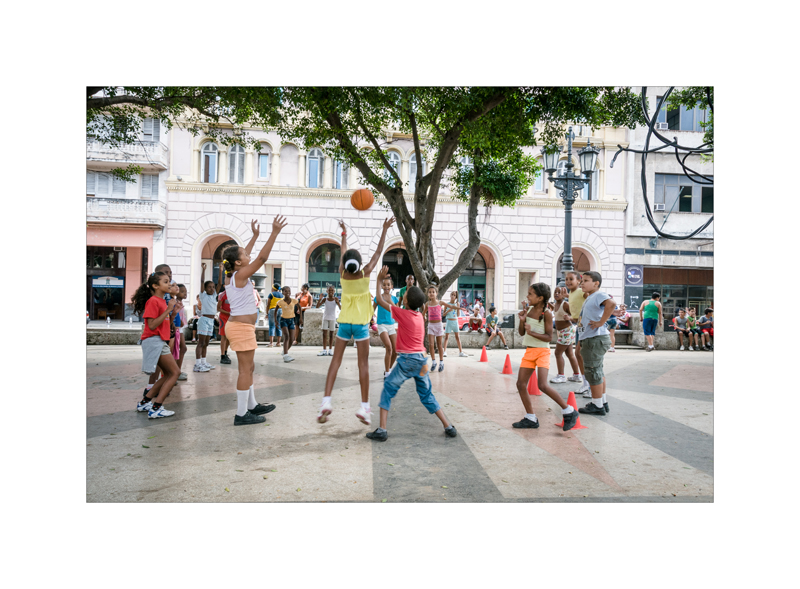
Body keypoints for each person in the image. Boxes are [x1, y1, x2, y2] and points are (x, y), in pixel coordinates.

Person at [366, 266, 458, 442]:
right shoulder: (419, 317)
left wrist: (378, 281)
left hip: (407, 361)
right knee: (427, 395)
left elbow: (379, 299)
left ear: (406, 302)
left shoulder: (402, 314)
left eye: (405, 295)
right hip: (422, 361)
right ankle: (448, 426)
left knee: (387, 390)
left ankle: (382, 430)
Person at [318, 217, 394, 426]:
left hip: (344, 324)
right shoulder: (365, 272)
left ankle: (326, 401)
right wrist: (384, 229)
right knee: (363, 364)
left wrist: (344, 234)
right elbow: (378, 252)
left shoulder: (342, 274)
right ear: (359, 263)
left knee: (335, 361)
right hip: (360, 325)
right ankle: (364, 407)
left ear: (345, 264)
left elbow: (343, 253)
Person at [221, 216, 287, 426]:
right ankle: (241, 414)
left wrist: (254, 236)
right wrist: (274, 232)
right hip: (240, 328)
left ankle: (251, 405)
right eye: (244, 255)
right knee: (244, 370)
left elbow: (245, 256)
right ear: (238, 262)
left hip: (241, 327)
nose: (248, 255)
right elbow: (261, 258)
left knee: (249, 367)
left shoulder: (233, 274)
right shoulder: (240, 275)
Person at [512, 283, 579, 431]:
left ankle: (569, 410)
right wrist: (522, 321)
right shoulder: (529, 310)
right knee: (520, 384)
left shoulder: (547, 313)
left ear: (540, 298)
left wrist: (532, 332)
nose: (527, 296)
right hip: (529, 352)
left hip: (542, 351)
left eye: (530, 294)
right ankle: (531, 418)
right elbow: (522, 333)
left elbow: (549, 337)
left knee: (542, 385)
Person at [132, 271, 179, 419]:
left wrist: (172, 313)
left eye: (169, 281)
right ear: (155, 285)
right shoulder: (153, 301)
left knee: (169, 374)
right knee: (175, 373)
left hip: (159, 340)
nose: (169, 284)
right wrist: (168, 310)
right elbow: (152, 325)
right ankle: (156, 407)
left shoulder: (162, 301)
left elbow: (163, 324)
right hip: (154, 341)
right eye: (165, 282)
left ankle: (145, 402)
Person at [577, 271, 616, 415]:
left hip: (595, 338)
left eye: (586, 281)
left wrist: (601, 322)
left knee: (593, 371)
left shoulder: (598, 295)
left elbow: (611, 303)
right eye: (582, 281)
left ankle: (597, 405)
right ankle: (602, 402)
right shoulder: (591, 297)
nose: (582, 283)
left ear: (596, 283)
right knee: (597, 371)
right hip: (592, 338)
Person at [423, 284, 461, 372]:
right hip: (431, 326)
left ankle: (441, 362)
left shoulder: (440, 302)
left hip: (438, 325)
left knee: (439, 344)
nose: (431, 293)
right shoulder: (427, 304)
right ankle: (433, 362)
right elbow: (423, 313)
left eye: (433, 292)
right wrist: (423, 317)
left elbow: (451, 306)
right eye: (430, 292)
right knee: (431, 345)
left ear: (436, 293)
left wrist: (459, 308)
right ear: (428, 294)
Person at [565, 270, 590, 396]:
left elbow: (591, 300)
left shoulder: (581, 292)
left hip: (586, 326)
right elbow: (576, 312)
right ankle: (586, 383)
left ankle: (590, 384)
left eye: (571, 279)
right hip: (579, 326)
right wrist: (571, 318)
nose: (568, 281)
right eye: (566, 279)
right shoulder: (571, 293)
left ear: (578, 281)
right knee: (579, 354)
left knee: (581, 354)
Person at [550, 286, 582, 384]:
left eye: (559, 292)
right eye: (555, 292)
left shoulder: (565, 304)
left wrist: (569, 318)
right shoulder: (556, 304)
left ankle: (561, 376)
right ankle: (576, 375)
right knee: (569, 354)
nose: (556, 294)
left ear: (563, 295)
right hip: (563, 332)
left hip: (567, 331)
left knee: (557, 353)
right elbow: (555, 310)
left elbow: (576, 315)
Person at [195, 262, 222, 372]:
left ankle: (203, 362)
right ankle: (197, 364)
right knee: (201, 343)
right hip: (204, 320)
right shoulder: (203, 295)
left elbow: (220, 283)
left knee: (206, 343)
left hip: (211, 320)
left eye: (213, 287)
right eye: (209, 287)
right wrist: (204, 269)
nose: (212, 289)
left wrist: (221, 270)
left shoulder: (214, 296)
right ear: (205, 289)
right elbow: (202, 281)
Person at [373, 275, 398, 378]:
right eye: (384, 285)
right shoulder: (378, 298)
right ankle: (387, 373)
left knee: (396, 350)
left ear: (391, 286)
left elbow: (397, 312)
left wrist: (390, 301)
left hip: (391, 326)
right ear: (382, 286)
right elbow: (371, 310)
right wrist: (369, 321)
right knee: (389, 347)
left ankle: (388, 369)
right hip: (382, 325)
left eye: (388, 285)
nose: (386, 286)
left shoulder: (394, 299)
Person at [316, 285, 340, 356]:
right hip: (325, 318)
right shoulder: (325, 299)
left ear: (334, 291)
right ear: (327, 291)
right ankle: (324, 350)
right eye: (329, 290)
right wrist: (320, 299)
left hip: (332, 318)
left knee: (331, 334)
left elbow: (340, 308)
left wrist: (338, 302)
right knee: (324, 334)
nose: (330, 292)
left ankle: (330, 350)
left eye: (332, 290)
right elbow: (317, 306)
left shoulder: (335, 299)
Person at [443, 291, 469, 358]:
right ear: (450, 295)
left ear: (456, 297)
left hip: (455, 322)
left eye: (454, 295)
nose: (452, 296)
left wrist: (457, 307)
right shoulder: (447, 304)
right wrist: (448, 311)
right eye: (452, 294)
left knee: (457, 337)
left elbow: (458, 315)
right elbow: (443, 314)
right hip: (449, 321)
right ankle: (444, 351)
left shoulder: (457, 304)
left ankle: (461, 352)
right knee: (446, 337)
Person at [276, 286, 299, 362]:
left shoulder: (294, 301)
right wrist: (276, 320)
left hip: (291, 320)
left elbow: (299, 307)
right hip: (283, 320)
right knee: (286, 336)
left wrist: (301, 318)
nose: (287, 292)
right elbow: (276, 310)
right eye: (285, 291)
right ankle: (286, 356)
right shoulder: (280, 302)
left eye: (289, 291)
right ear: (283, 293)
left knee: (292, 339)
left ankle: (284, 351)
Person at [174, 283, 189, 380]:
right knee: (179, 349)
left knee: (183, 348)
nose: (185, 293)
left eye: (186, 291)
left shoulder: (180, 303)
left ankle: (177, 371)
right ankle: (175, 372)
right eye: (182, 291)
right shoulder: (175, 302)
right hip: (177, 328)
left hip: (180, 328)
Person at [217, 286, 232, 364]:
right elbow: (218, 308)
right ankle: (222, 355)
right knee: (224, 336)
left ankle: (225, 352)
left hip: (232, 318)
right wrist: (228, 313)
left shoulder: (235, 294)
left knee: (229, 337)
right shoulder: (222, 295)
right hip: (224, 318)